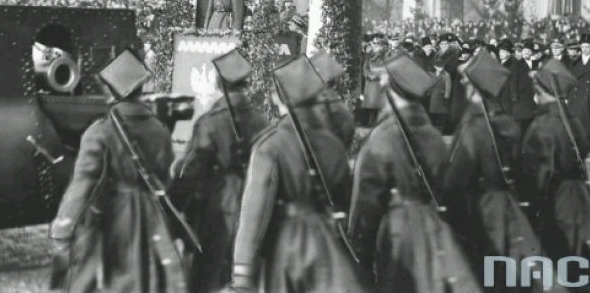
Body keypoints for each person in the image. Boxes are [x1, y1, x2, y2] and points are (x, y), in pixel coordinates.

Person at [228, 56, 372, 293]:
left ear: (279, 98)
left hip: (285, 247)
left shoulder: (270, 145)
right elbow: (344, 201)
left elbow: (254, 215)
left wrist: (242, 274)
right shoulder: (332, 143)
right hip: (327, 245)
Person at [49, 49, 188, 293]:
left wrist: (63, 228)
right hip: (152, 217)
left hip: (113, 217)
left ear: (111, 91)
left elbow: (83, 186)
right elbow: (166, 179)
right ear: (139, 90)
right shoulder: (160, 130)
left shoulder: (99, 132)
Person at [347, 53, 481, 293]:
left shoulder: (382, 137)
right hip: (431, 230)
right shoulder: (432, 134)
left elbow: (365, 206)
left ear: (390, 90)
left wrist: (360, 257)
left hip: (396, 234)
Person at [442, 51, 550, 293]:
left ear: (474, 86)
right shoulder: (506, 122)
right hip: (507, 209)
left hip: (480, 211)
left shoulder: (473, 126)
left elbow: (455, 182)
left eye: (466, 80)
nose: (462, 84)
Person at [169, 49, 269, 293]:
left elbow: (192, 172)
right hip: (255, 203)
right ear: (245, 84)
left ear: (217, 83)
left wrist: (174, 206)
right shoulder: (261, 120)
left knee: (209, 274)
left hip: (219, 206)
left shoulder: (210, 122)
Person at [519, 59, 590, 269]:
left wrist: (531, 206)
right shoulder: (573, 119)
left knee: (558, 261)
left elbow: (538, 175)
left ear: (540, 90)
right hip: (580, 197)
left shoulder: (542, 125)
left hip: (555, 201)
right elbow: (584, 147)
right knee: (580, 261)